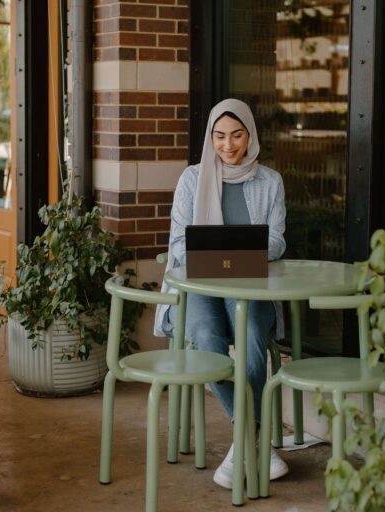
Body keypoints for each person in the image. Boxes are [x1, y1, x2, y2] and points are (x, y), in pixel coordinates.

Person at [153, 98, 289, 489]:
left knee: (250, 343)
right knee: (207, 342)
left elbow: (277, 240)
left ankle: (241, 445)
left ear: (250, 136)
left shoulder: (270, 181)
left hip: (250, 285)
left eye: (237, 135)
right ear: (210, 138)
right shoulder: (192, 179)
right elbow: (179, 242)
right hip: (199, 286)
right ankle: (253, 439)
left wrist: (235, 255)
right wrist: (221, 254)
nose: (228, 146)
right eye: (219, 136)